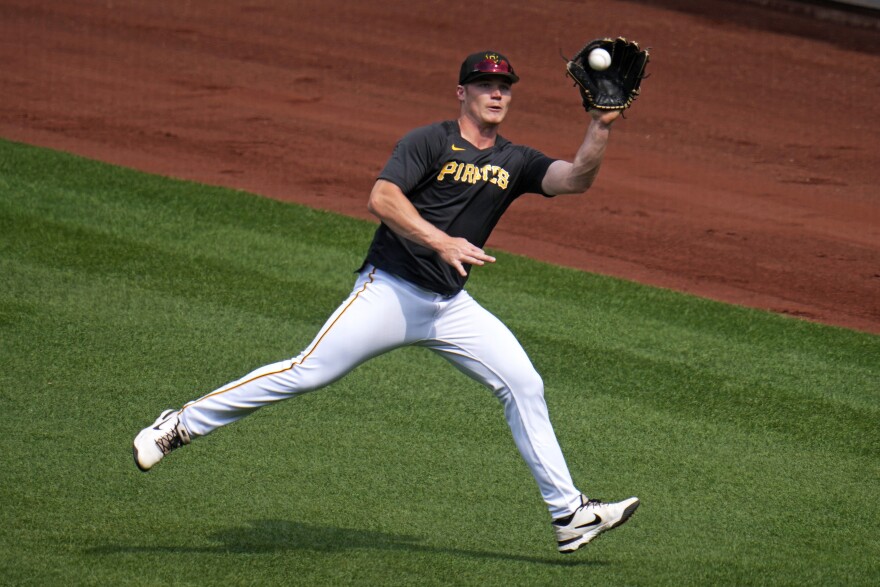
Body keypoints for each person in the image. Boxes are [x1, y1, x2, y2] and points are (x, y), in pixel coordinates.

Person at [133, 50, 639, 554]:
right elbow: (382, 197)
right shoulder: (429, 141)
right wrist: (441, 241)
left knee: (524, 383)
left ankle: (569, 514)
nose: (496, 93)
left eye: (504, 86)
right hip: (390, 291)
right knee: (307, 371)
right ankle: (178, 425)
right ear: (462, 92)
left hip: (449, 307)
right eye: (485, 85)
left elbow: (574, 179)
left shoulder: (516, 160)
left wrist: (601, 126)